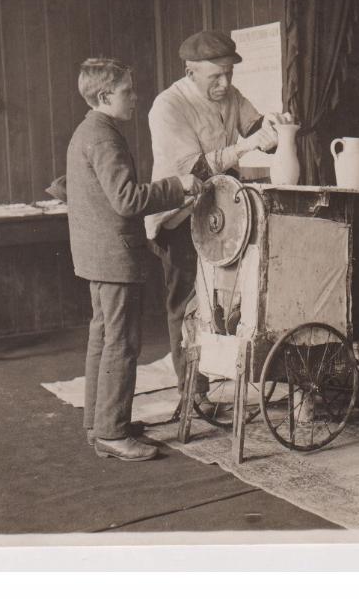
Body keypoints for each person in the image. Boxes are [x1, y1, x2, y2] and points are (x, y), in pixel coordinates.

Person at [66, 57, 203, 461]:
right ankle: (111, 431)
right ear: (105, 95)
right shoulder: (105, 137)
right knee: (121, 343)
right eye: (127, 91)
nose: (135, 97)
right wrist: (176, 187)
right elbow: (126, 200)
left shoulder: (88, 131)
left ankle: (100, 421)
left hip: (97, 255)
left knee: (103, 338)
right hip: (114, 257)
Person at [146, 30, 281, 414]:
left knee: (227, 299)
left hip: (223, 214)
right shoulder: (167, 106)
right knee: (187, 304)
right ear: (190, 72)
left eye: (229, 74)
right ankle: (193, 391)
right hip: (180, 216)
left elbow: (257, 129)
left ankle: (227, 371)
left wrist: (273, 130)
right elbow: (198, 169)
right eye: (215, 77)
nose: (224, 84)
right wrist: (247, 146)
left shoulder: (231, 97)